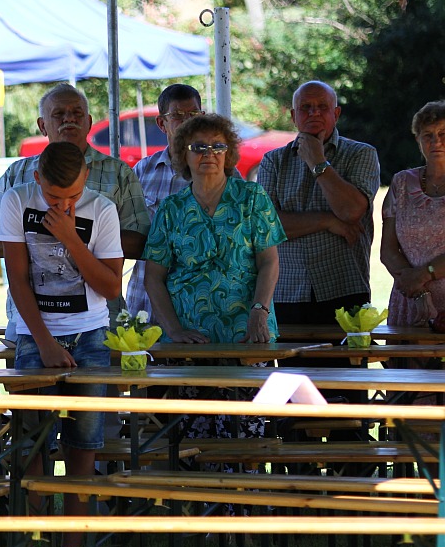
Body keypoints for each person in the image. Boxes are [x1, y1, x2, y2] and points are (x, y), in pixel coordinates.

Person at [0, 141, 124, 547]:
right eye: (54, 198)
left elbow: (110, 287)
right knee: (33, 448)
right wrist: (45, 340)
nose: (63, 204)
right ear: (38, 181)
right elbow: (17, 279)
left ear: (86, 178)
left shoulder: (102, 209)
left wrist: (71, 236)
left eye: (71, 196)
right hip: (36, 334)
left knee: (82, 447)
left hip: (91, 334)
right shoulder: (16, 201)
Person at [143, 114, 285, 455]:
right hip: (190, 343)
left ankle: (249, 508)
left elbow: (270, 261)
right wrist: (174, 330)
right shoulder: (171, 208)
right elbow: (154, 277)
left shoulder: (252, 198)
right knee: (196, 441)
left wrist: (259, 311)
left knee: (248, 438)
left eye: (218, 145)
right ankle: (206, 508)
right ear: (183, 155)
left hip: (248, 335)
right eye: (198, 147)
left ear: (229, 153)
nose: (209, 153)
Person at [0, 83, 149, 339]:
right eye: (59, 114)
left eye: (77, 113)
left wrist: (73, 238)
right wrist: (51, 238)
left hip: (101, 320)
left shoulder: (118, 173)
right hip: (30, 323)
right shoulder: (17, 175)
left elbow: (139, 242)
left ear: (90, 121)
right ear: (42, 125)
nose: (69, 119)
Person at [257, 80, 380, 404]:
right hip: (287, 293)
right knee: (294, 403)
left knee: (348, 401)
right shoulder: (273, 161)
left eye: (322, 107)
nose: (314, 114)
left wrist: (317, 162)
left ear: (336, 113)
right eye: (306, 108)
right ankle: (298, 456)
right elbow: (268, 225)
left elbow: (351, 211)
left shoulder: (361, 154)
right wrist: (327, 221)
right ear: (293, 116)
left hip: (344, 287)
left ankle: (348, 456)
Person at [126, 84, 208, 316]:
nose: (187, 122)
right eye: (177, 116)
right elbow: (125, 233)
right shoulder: (143, 170)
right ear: (162, 123)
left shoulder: (222, 171)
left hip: (201, 300)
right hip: (145, 301)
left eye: (193, 115)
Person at [380, 100, 445, 329]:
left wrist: (424, 275)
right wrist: (414, 285)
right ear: (418, 140)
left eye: (443, 133)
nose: (436, 141)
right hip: (409, 300)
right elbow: (387, 250)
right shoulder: (401, 183)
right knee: (406, 365)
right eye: (427, 135)